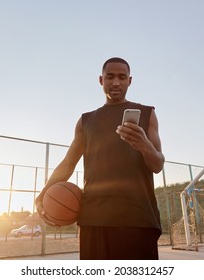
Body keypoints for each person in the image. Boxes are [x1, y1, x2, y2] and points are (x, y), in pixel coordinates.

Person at [36, 57, 165, 260]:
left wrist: (144, 145)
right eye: (110, 77)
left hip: (137, 216)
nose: (116, 82)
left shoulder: (147, 114)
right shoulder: (86, 120)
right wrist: (42, 194)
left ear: (129, 81)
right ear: (100, 80)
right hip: (94, 218)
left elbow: (157, 165)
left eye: (122, 77)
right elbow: (68, 163)